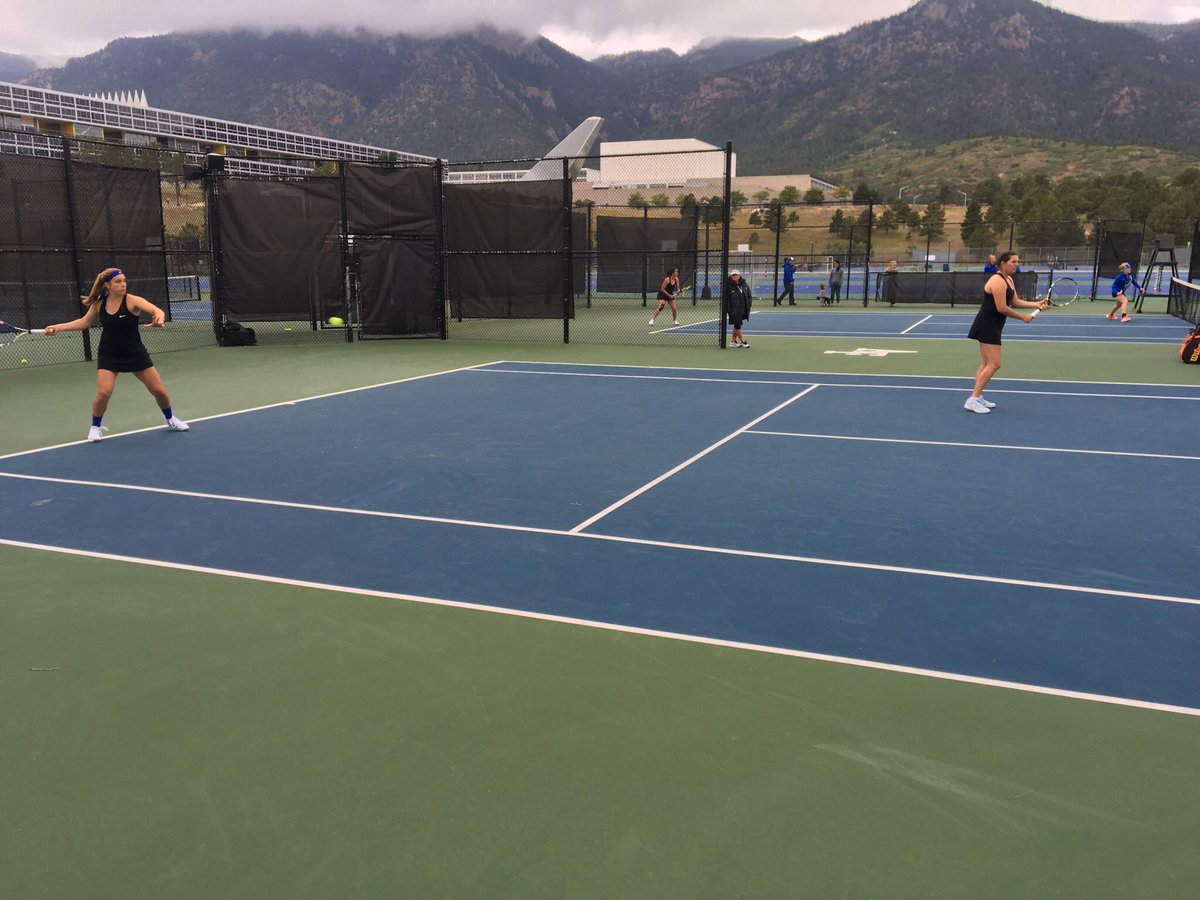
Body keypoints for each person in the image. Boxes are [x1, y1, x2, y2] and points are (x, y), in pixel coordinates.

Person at [43, 267, 189, 442]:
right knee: (103, 393)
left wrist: (159, 319)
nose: (123, 284)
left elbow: (157, 311)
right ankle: (95, 427)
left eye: (124, 281)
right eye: (118, 281)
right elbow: (83, 323)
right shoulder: (99, 304)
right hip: (109, 353)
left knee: (159, 392)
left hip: (135, 352)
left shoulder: (133, 301)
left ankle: (170, 418)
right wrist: (57, 328)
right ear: (108, 285)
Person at [964, 251, 1046, 414]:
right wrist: (1023, 317)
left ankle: (977, 396)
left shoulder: (1009, 279)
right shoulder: (997, 280)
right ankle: (972, 400)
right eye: (1013, 262)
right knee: (995, 363)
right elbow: (1002, 307)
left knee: (986, 363)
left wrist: (1036, 304)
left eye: (1018, 261)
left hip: (994, 323)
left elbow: (1015, 301)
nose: (1017, 264)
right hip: (987, 323)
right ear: (1003, 263)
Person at [724, 268, 753, 348]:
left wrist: (749, 304)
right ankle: (743, 342)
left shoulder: (744, 284)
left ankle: (733, 342)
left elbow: (748, 295)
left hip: (743, 308)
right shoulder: (728, 285)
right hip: (734, 310)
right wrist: (729, 309)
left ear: (739, 275)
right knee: (738, 325)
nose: (734, 276)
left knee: (737, 325)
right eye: (733, 275)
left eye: (736, 275)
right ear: (731, 276)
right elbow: (726, 299)